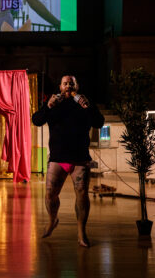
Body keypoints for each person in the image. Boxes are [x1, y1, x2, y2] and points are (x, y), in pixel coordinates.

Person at [32, 75, 104, 247]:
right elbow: (36, 120)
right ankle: (52, 220)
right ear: (60, 86)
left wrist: (88, 107)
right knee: (50, 194)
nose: (68, 86)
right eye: (65, 83)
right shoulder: (53, 103)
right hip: (58, 158)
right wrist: (47, 106)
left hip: (80, 159)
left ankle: (81, 233)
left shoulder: (84, 103)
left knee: (82, 195)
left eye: (71, 83)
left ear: (77, 87)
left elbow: (99, 123)